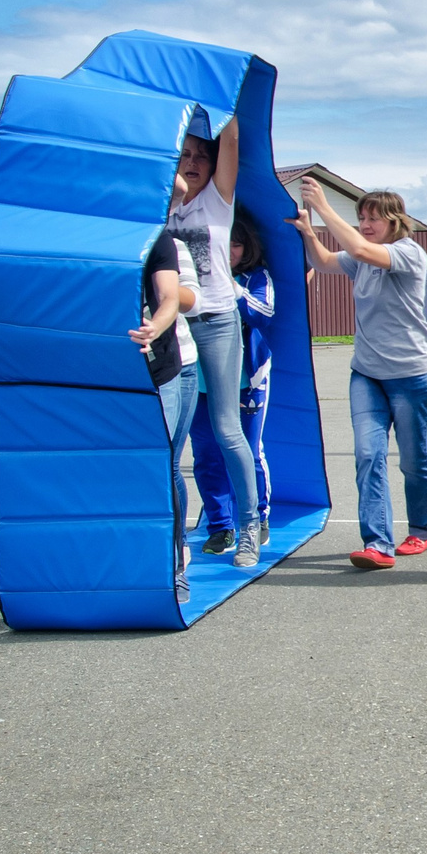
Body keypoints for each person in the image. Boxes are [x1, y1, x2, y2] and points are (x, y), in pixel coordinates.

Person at [297, 181, 427, 572]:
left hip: (413, 375)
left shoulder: (408, 254)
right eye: (360, 218)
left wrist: (326, 208)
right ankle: (377, 543)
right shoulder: (361, 257)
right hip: (367, 375)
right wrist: (309, 232)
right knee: (367, 454)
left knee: (413, 461)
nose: (364, 224)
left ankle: (423, 528)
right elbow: (325, 262)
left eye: (372, 218)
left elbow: (360, 249)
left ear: (395, 221)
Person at [168, 118, 263, 569]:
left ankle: (248, 528)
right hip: (172, 328)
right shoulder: (160, 209)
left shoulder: (217, 201)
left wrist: (217, 94)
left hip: (216, 321)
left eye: (199, 156)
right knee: (173, 436)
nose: (191, 163)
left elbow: (231, 138)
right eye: (183, 155)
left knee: (227, 428)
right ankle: (177, 532)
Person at [193, 214, 276, 555]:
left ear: (247, 247)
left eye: (236, 244)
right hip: (199, 382)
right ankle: (220, 526)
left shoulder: (257, 276)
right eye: (221, 243)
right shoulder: (189, 274)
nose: (227, 251)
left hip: (247, 381)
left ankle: (257, 520)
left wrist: (228, 283)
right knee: (206, 455)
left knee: (248, 451)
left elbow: (262, 313)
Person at [131, 200, 200, 594]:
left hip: (169, 365)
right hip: (111, 369)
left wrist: (153, 328)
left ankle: (173, 571)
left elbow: (172, 298)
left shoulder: (160, 240)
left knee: (163, 466)